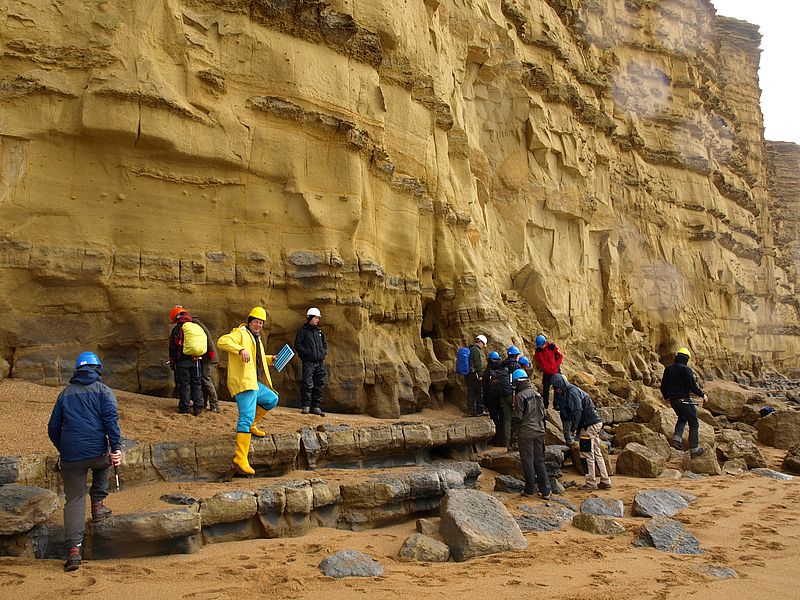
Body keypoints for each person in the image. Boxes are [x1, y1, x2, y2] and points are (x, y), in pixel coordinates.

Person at [47, 352, 122, 572]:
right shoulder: (104, 391)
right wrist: (116, 449)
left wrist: (64, 448)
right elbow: (111, 423)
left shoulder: (65, 394)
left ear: (78, 370)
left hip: (71, 456)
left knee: (74, 500)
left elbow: (53, 429)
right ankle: (98, 505)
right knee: (105, 461)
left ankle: (74, 552)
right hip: (97, 453)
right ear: (97, 368)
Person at [217, 306, 280, 475]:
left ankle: (252, 425)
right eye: (256, 322)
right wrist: (240, 349)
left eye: (261, 323)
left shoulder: (256, 338)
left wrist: (271, 359)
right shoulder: (240, 332)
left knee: (272, 398)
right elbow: (222, 341)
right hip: (244, 382)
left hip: (254, 382)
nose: (258, 325)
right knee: (245, 416)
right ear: (250, 321)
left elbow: (256, 358)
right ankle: (240, 458)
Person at [552, 373, 611, 491]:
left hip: (588, 426)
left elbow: (578, 410)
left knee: (586, 454)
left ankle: (591, 482)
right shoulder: (572, 390)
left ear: (561, 386)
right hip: (594, 423)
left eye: (556, 388)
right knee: (596, 452)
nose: (556, 390)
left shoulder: (572, 393)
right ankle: (605, 480)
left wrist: (573, 429)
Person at [511, 369, 551, 500]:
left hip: (526, 434)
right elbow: (544, 415)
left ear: (517, 381)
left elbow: (517, 418)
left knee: (528, 461)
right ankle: (546, 490)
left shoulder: (520, 396)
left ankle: (529, 490)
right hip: (539, 432)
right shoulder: (537, 394)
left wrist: (513, 434)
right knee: (539, 460)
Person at [660, 347, 707, 457]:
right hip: (684, 400)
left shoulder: (668, 369)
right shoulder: (686, 370)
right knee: (693, 423)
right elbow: (692, 386)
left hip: (673, 401)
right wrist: (702, 395)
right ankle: (694, 449)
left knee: (682, 418)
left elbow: (663, 386)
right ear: (686, 358)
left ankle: (677, 440)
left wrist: (666, 397)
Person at [168, 306, 205, 415]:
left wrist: (172, 361)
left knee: (184, 385)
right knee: (197, 384)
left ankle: (185, 408)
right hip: (196, 361)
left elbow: (173, 347)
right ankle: (198, 408)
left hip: (182, 362)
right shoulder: (195, 327)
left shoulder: (178, 329)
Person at [294, 307, 327, 416]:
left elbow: (324, 344)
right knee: (307, 384)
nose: (318, 320)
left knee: (319, 384)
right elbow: (297, 345)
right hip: (308, 362)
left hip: (319, 362)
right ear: (310, 318)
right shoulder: (303, 331)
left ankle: (316, 407)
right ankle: (306, 406)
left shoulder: (319, 331)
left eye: (318, 318)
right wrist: (306, 354)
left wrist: (323, 353)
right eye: (316, 318)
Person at [484, 351, 513, 447]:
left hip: (490, 398)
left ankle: (495, 441)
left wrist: (485, 403)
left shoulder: (487, 373)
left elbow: (484, 388)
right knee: (503, 419)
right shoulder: (502, 369)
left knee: (494, 419)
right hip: (500, 397)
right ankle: (503, 441)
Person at [533, 334, 563, 409]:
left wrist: (556, 365)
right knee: (545, 389)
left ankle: (556, 405)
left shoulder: (552, 347)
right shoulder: (538, 350)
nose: (541, 347)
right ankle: (545, 404)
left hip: (555, 372)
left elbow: (560, 355)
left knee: (557, 389)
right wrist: (542, 367)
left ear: (544, 343)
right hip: (546, 373)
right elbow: (537, 359)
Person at [465, 334, 487, 417]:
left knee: (471, 392)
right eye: (484, 344)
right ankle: (479, 411)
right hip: (474, 374)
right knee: (479, 392)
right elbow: (478, 363)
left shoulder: (470, 348)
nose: (483, 346)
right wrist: (480, 374)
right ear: (481, 342)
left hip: (468, 374)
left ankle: (470, 411)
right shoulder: (476, 350)